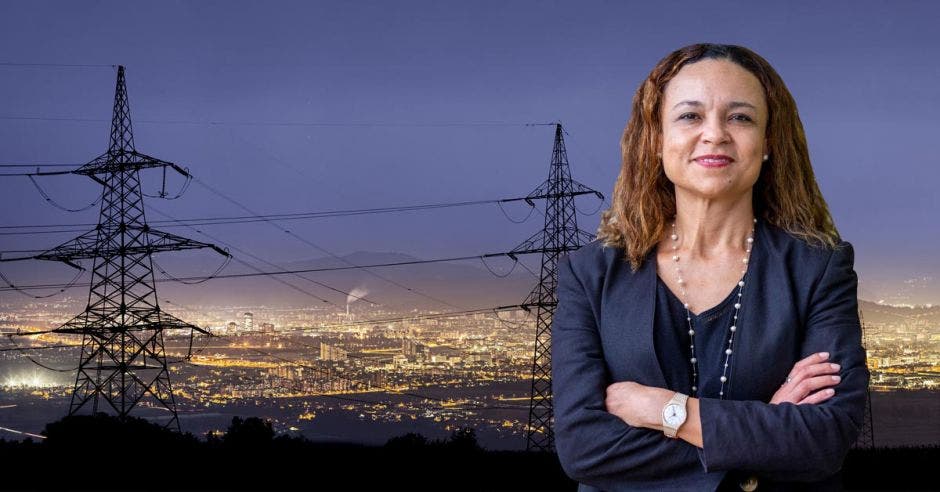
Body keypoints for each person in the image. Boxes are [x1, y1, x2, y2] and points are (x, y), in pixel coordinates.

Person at [551, 43, 869, 491]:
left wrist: (662, 410)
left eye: (740, 117)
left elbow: (825, 438)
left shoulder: (819, 268)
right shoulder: (590, 275)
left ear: (768, 143)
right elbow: (583, 447)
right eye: (690, 116)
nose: (715, 134)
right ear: (657, 140)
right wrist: (766, 432)